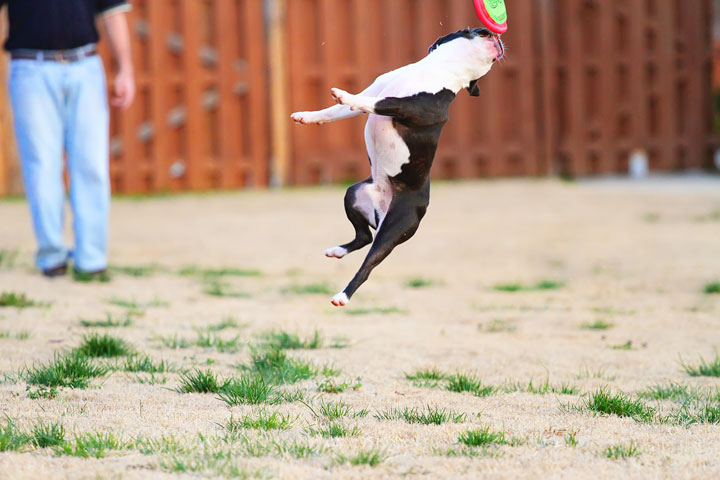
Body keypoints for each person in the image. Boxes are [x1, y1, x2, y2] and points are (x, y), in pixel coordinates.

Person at [1, 0, 135, 279]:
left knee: (92, 166)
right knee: (41, 165)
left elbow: (112, 12)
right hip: (30, 68)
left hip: (85, 66)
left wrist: (126, 68)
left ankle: (92, 258)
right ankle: (51, 256)